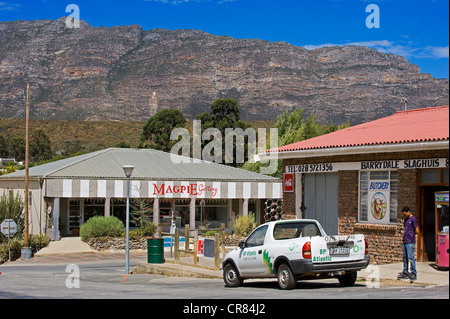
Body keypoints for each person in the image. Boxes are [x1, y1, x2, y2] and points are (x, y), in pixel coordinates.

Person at [397, 206, 419, 282]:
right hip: (405, 240)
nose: (405, 215)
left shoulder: (413, 219)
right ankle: (405, 272)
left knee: (411, 257)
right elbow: (405, 228)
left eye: (405, 213)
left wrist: (411, 235)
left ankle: (413, 272)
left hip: (410, 241)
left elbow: (417, 230)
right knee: (405, 257)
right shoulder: (406, 220)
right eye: (404, 214)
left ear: (409, 212)